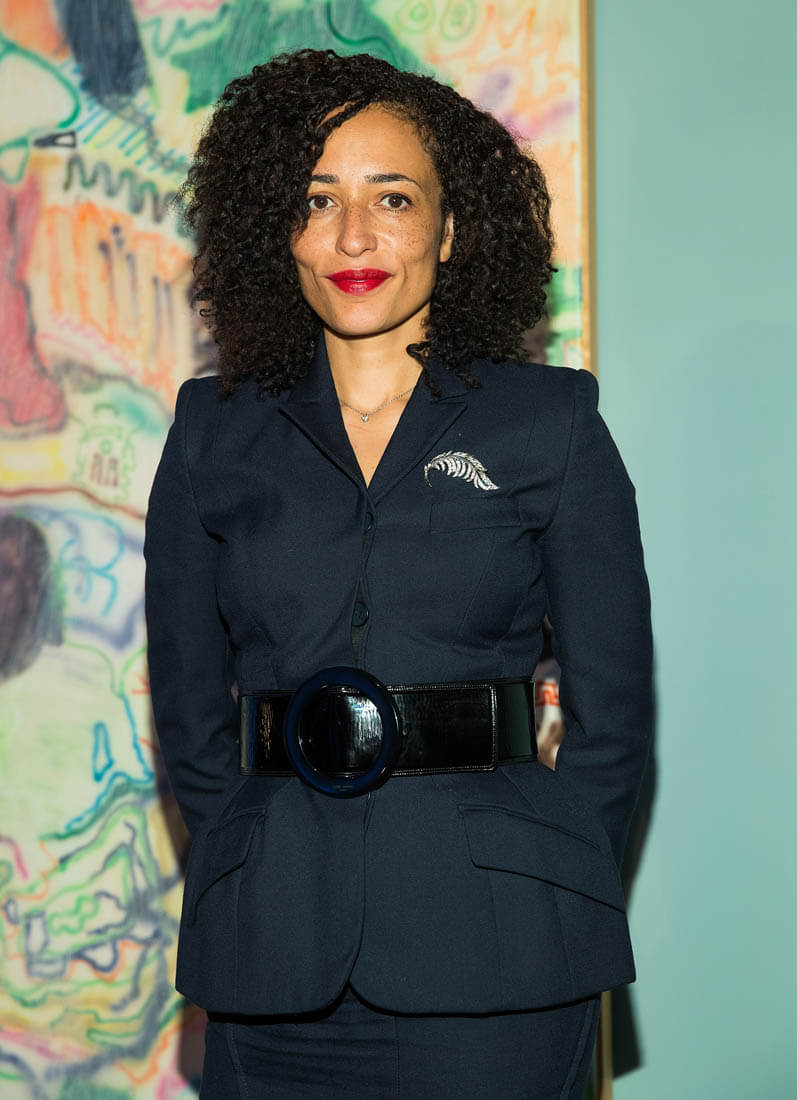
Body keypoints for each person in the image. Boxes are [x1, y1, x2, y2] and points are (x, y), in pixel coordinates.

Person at [144, 48, 653, 1100]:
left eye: (392, 198)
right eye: (316, 199)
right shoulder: (209, 432)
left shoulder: (550, 422)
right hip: (270, 955)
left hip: (502, 953)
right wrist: (246, 858)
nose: (353, 237)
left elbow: (614, 717)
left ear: (450, 228)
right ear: (276, 228)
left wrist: (552, 869)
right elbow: (189, 718)